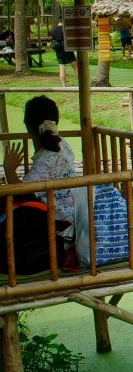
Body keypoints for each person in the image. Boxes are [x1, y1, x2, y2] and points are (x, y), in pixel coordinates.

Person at [3, 96, 76, 237]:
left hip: (59, 222)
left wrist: (9, 169)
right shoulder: (62, 144)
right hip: (72, 214)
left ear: (28, 127)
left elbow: (22, 194)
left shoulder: (46, 158)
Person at [50, 20, 75, 86]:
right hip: (67, 48)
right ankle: (82, 84)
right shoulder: (65, 29)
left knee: (62, 68)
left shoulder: (53, 30)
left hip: (58, 49)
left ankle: (64, 86)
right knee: (75, 66)